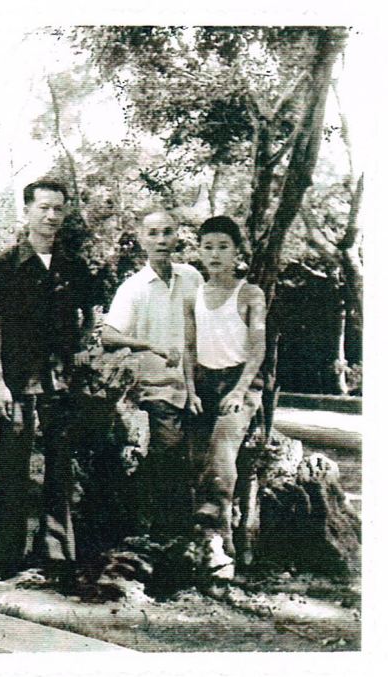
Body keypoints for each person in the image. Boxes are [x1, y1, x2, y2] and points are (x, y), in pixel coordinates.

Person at [0, 179, 95, 583]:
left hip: (60, 382)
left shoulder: (73, 266)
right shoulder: (6, 265)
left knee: (59, 468)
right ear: (27, 211)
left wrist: (81, 346)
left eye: (58, 209)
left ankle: (55, 555)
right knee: (13, 470)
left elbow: (90, 315)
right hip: (17, 381)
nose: (51, 216)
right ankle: (7, 558)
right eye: (44, 208)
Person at [102, 210, 203, 541]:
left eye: (167, 232)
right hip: (158, 391)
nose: (161, 240)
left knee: (203, 462)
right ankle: (166, 540)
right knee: (170, 459)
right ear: (142, 239)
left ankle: (196, 541)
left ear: (178, 236)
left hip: (198, 387)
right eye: (153, 233)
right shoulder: (133, 288)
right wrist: (147, 345)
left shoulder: (192, 277)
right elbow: (108, 335)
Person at [183, 215, 266, 579]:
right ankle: (216, 543)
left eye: (223, 247)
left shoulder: (250, 293)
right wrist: (190, 390)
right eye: (208, 247)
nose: (215, 255)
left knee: (221, 455)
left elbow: (258, 349)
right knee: (196, 460)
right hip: (203, 383)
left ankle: (218, 545)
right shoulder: (193, 295)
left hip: (240, 383)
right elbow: (188, 348)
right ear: (199, 251)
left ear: (236, 252)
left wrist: (240, 391)